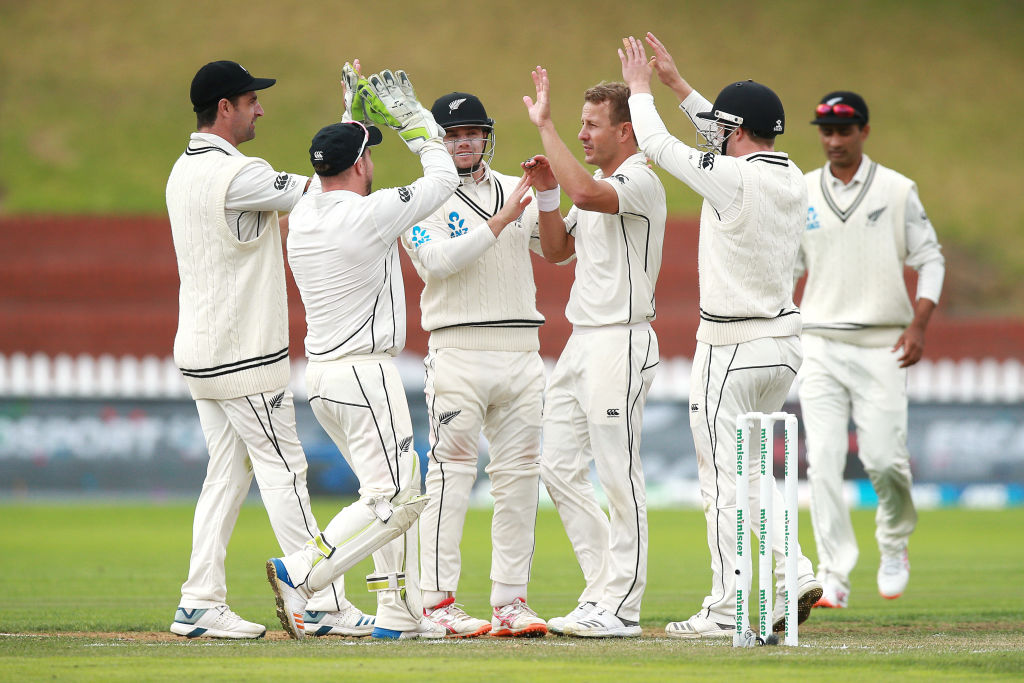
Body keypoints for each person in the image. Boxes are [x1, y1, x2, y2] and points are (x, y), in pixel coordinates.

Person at [266, 68, 528, 640]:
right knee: (400, 495)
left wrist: (348, 112)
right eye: (368, 156)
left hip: (323, 377)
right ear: (359, 166)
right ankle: (303, 574)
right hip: (365, 373)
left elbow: (331, 160)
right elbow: (439, 180)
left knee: (384, 493)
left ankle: (397, 614)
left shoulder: (308, 207)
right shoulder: (371, 213)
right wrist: (417, 122)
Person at [618, 33, 822, 639]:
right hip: (783, 347)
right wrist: (681, 87)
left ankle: (727, 605)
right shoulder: (792, 177)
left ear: (733, 131)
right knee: (756, 477)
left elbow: (656, 144)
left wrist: (639, 88)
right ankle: (796, 571)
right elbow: (721, 137)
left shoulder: (732, 179)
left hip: (731, 349)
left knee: (721, 480)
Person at [165, 60, 372, 639]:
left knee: (226, 476)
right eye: (252, 100)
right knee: (286, 471)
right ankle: (323, 603)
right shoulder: (238, 175)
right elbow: (324, 189)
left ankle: (198, 601)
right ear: (225, 108)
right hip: (242, 356)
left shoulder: (182, 170)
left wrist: (348, 120)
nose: (261, 109)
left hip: (202, 354)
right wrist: (349, 130)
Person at [522, 66, 666, 638]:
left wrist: (546, 129)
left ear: (625, 132)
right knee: (556, 466)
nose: (582, 134)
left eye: (591, 125)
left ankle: (622, 606)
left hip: (623, 340)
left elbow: (585, 190)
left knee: (617, 473)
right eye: (578, 124)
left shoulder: (638, 180)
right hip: (581, 342)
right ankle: (601, 589)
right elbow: (557, 250)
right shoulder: (595, 184)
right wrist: (548, 194)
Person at [403, 92, 548, 638]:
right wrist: (502, 220)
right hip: (458, 350)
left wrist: (553, 196)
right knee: (449, 478)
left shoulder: (518, 187)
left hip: (521, 351)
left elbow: (557, 250)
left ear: (487, 136)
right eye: (452, 134)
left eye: (473, 132)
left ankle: (511, 601)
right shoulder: (420, 200)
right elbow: (437, 264)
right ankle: (438, 605)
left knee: (518, 480)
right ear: (438, 142)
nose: (464, 142)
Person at [797, 91, 944, 608]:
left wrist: (919, 324)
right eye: (826, 131)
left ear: (863, 131)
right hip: (819, 342)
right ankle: (833, 572)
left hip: (883, 343)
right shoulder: (804, 190)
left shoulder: (897, 190)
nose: (834, 141)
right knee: (823, 462)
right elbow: (787, 267)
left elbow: (931, 260)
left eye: (844, 131)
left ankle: (894, 542)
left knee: (884, 461)